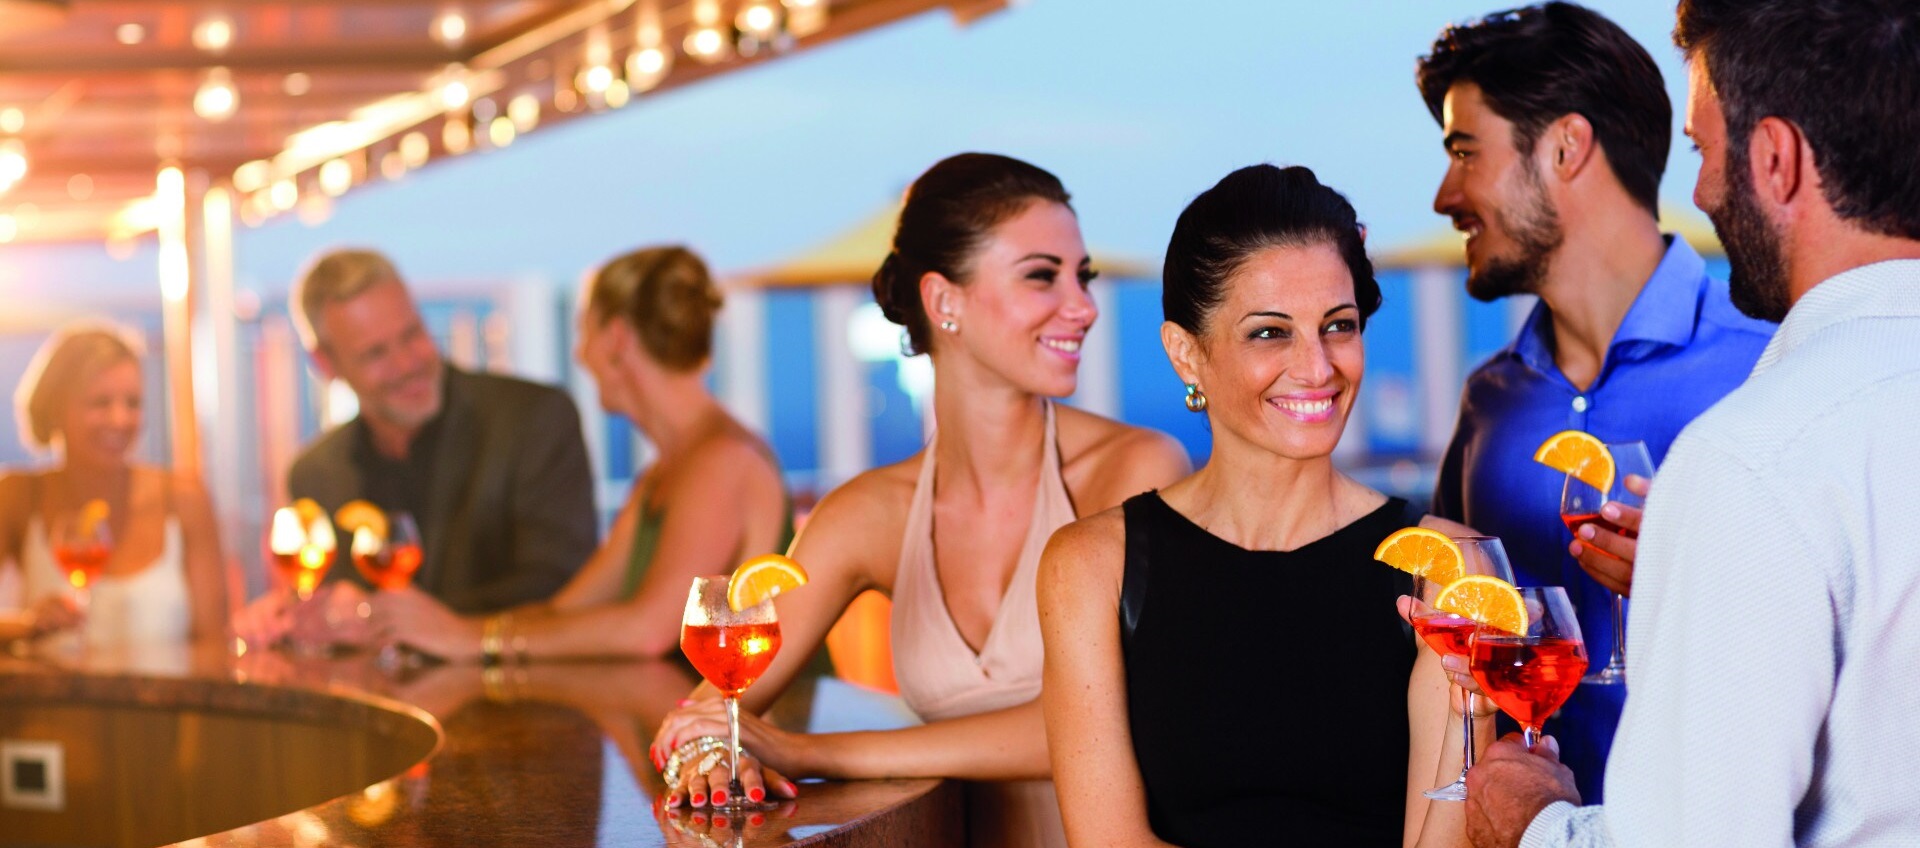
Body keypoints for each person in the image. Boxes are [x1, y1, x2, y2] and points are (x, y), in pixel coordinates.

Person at [1465, 0, 1920, 845]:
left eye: (1706, 152)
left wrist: (1531, 823)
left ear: (1776, 159)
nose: (1701, 192)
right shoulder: (1493, 399)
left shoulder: (1749, 455)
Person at [647, 152, 1191, 848]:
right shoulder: (869, 513)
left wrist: (809, 752)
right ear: (943, 301)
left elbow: (1108, 722)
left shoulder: (1133, 471)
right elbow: (710, 709)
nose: (1084, 307)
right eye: (1042, 276)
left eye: (1080, 277)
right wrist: (710, 757)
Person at [1039, 164, 1475, 848]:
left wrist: (1474, 719)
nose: (1318, 368)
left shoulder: (1445, 568)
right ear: (1187, 354)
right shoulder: (1092, 567)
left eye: (1338, 326)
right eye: (1270, 333)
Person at [1416, 1, 1775, 799]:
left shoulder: (1768, 365)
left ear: (1566, 147)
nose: (1444, 195)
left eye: (1465, 152)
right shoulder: (1489, 401)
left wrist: (1693, 581)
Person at [372, 246, 793, 662]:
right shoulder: (662, 473)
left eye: (583, 331)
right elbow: (566, 610)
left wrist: (471, 639)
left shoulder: (722, 461)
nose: (578, 353)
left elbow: (648, 630)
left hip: (754, 708)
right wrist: (438, 630)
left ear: (616, 338)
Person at [234, 249, 596, 643]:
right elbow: (335, 607)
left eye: (412, 335)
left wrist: (382, 617)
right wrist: (293, 618)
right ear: (325, 364)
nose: (407, 365)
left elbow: (563, 586)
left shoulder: (533, 419)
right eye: (375, 353)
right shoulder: (316, 472)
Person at [0, 324, 229, 644]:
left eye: (132, 403)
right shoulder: (18, 495)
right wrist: (27, 626)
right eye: (100, 403)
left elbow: (214, 641)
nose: (120, 420)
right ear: (55, 408)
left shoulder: (184, 499)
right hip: (50, 680)